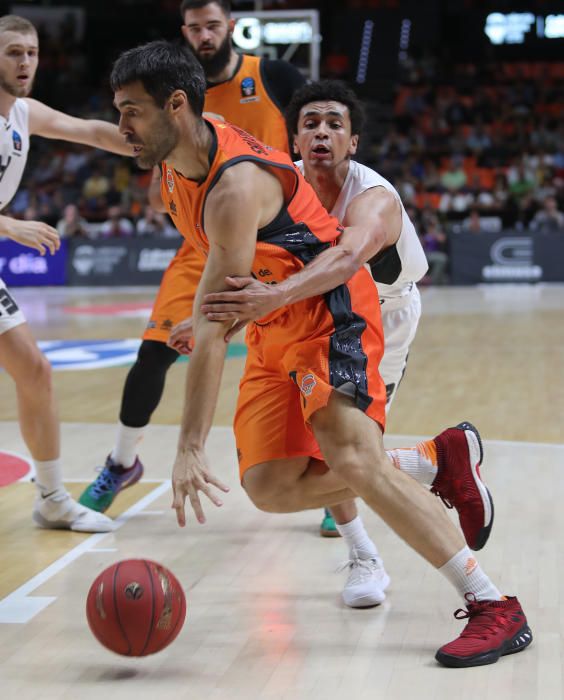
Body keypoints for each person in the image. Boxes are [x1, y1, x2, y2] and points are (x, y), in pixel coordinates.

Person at [110, 40, 531, 667]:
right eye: (117, 113)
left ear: (176, 107)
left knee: (352, 457)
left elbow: (237, 311)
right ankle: (429, 460)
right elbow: (217, 305)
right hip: (271, 321)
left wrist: (190, 447)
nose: (122, 129)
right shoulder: (181, 155)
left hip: (332, 312)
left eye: (132, 113)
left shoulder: (242, 189)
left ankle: (493, 603)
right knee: (271, 488)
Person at [173, 80, 493, 605]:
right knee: (306, 458)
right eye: (311, 124)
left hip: (381, 318)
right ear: (294, 142)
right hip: (300, 311)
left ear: (354, 142)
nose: (322, 132)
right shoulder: (275, 182)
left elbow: (345, 263)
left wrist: (267, 300)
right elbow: (251, 266)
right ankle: (396, 509)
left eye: (335, 124)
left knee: (344, 449)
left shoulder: (374, 198)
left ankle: (398, 549)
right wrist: (213, 320)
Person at [79, 0, 313, 521]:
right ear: (183, 33)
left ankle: (333, 487)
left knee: (298, 366)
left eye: (212, 25)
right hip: (206, 241)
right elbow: (97, 133)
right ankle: (122, 461)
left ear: (230, 27)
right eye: (194, 28)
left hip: (275, 237)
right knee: (155, 350)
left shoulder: (270, 75)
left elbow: (317, 135)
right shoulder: (164, 105)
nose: (204, 35)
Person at [0, 15, 133, 532]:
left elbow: (87, 130)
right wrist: (10, 226)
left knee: (34, 371)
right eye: (14, 52)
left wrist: (150, 142)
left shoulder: (23, 113)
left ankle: (52, 497)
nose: (25, 62)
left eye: (31, 52)